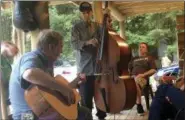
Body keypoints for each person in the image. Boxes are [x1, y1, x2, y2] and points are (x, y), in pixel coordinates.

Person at [9, 29, 92, 120]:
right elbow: (29, 74)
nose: (62, 51)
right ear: (51, 47)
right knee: (83, 115)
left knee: (82, 112)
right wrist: (63, 88)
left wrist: (73, 84)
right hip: (26, 116)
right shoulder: (31, 57)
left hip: (43, 112)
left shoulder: (47, 63)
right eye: (61, 46)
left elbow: (51, 93)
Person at [71, 2, 107, 120]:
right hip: (85, 70)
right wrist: (88, 42)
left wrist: (106, 20)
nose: (86, 15)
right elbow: (74, 44)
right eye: (83, 13)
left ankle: (102, 117)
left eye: (88, 12)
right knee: (86, 102)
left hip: (100, 68)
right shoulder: (76, 27)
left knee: (102, 101)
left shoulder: (97, 26)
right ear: (81, 14)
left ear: (91, 12)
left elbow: (105, 38)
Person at [128, 42, 157, 115]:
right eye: (140, 47)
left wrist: (143, 74)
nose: (141, 48)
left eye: (143, 47)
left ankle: (139, 105)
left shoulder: (149, 58)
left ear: (147, 49)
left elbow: (153, 70)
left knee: (135, 82)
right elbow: (129, 69)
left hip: (143, 78)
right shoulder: (134, 58)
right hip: (133, 77)